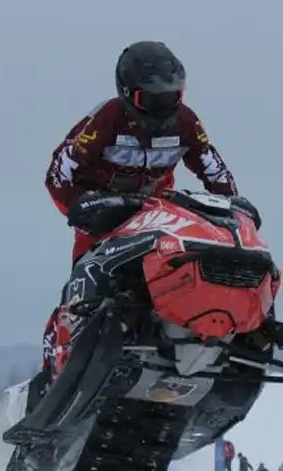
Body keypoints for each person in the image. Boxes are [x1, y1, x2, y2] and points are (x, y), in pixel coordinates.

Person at [39, 41, 241, 381]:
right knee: (84, 284)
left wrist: (231, 212)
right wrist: (79, 208)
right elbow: (59, 173)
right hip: (104, 215)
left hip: (156, 212)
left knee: (180, 264)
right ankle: (55, 367)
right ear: (127, 93)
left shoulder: (186, 122)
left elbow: (214, 169)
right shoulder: (104, 121)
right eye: (152, 99)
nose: (163, 108)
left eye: (172, 97)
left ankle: (192, 332)